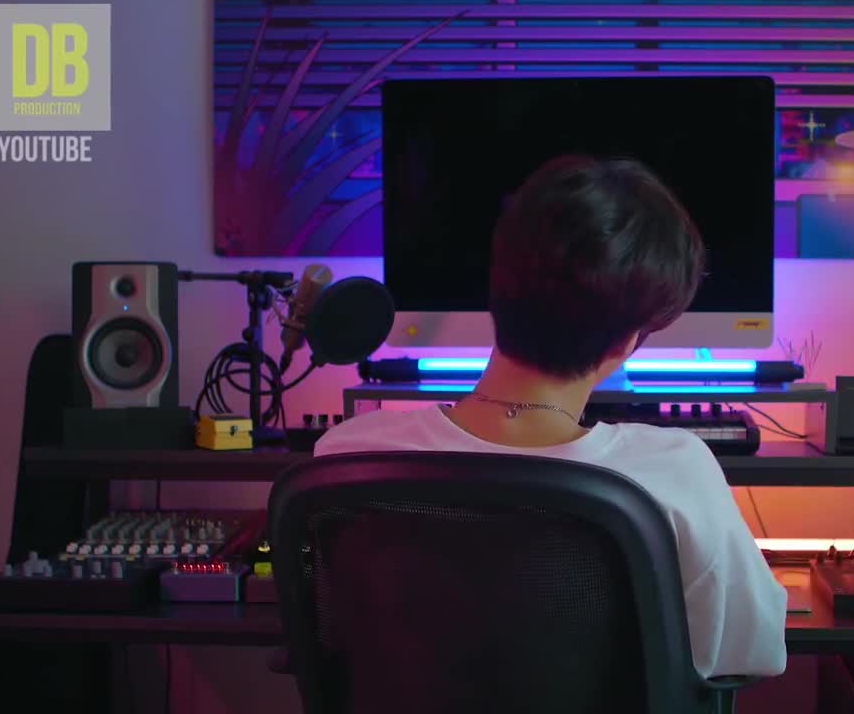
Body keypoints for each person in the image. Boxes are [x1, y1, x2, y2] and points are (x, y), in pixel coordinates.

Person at [316, 155, 788, 678]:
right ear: (627, 342)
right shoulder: (675, 471)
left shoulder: (347, 456)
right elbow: (753, 650)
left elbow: (331, 636)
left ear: (497, 287)